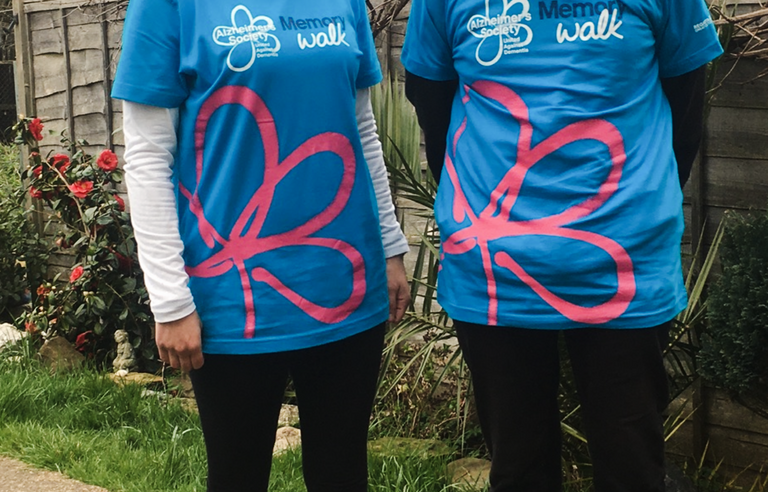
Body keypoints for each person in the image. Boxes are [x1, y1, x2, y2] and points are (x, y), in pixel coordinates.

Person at [401, 0, 722, 490]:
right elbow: (432, 102)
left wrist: (633, 205)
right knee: (519, 470)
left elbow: (687, 105)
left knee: (633, 471)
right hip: (494, 273)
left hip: (625, 265)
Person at [111, 1, 411, 490]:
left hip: (345, 279)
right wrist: (169, 300)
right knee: (237, 476)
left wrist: (391, 245)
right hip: (233, 295)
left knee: (343, 474)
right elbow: (147, 155)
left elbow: (361, 127)